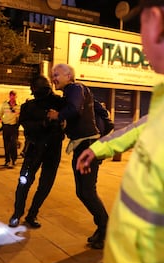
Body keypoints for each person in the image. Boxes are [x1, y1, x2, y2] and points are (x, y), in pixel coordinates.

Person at [76, 0, 164, 263]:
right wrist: (99, 148)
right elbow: (143, 127)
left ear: (157, 22)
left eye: (139, 26)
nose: (140, 41)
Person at [48, 63, 108, 249]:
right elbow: (99, 111)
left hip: (87, 147)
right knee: (82, 192)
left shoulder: (75, 88)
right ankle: (103, 227)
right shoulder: (76, 92)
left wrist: (58, 116)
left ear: (68, 75)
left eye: (56, 74)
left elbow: (74, 109)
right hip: (84, 146)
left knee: (87, 191)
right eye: (52, 76)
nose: (53, 79)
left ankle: (106, 229)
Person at [8, 75, 65, 228]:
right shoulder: (29, 106)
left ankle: (32, 214)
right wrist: (44, 122)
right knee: (24, 182)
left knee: (46, 184)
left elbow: (73, 113)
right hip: (34, 149)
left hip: (53, 150)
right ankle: (17, 213)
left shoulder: (59, 102)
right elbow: (26, 125)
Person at [0, 90, 20, 167]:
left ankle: (14, 159)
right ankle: (7, 160)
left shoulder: (18, 106)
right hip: (6, 127)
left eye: (14, 96)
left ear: (16, 96)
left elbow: (20, 117)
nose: (13, 97)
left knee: (13, 144)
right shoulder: (4, 105)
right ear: (9, 96)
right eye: (11, 95)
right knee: (6, 144)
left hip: (14, 127)